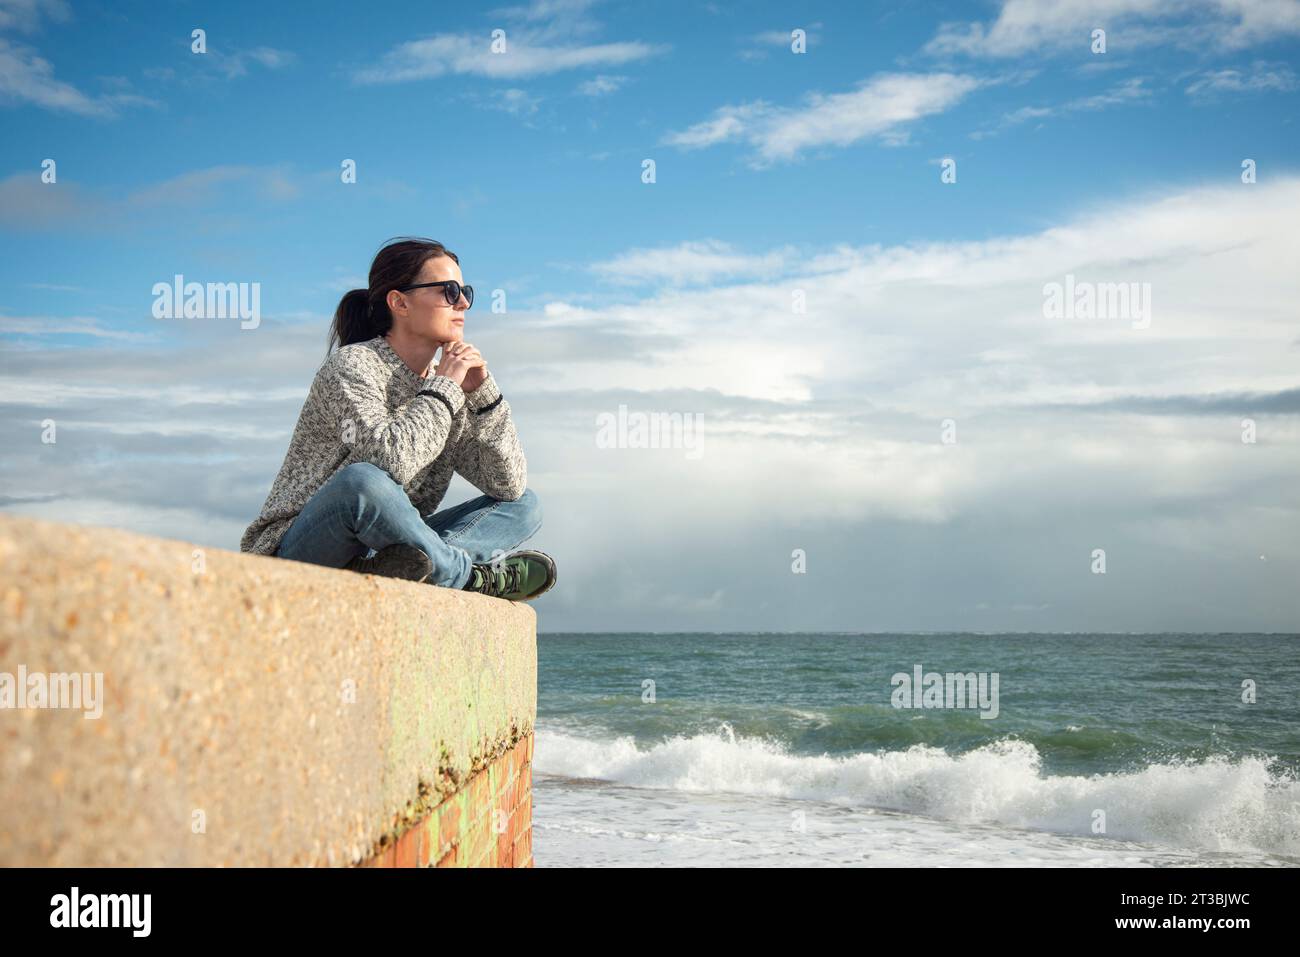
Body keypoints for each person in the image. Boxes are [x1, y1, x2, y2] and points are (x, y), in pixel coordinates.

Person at [239, 237, 555, 602]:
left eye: (465, 291)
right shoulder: (354, 365)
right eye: (449, 291)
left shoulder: (446, 383)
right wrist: (446, 388)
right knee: (361, 482)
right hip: (297, 551)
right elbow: (388, 461)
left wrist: (486, 397)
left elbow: (507, 484)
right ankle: (466, 578)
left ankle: (414, 569)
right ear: (399, 302)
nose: (464, 303)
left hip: (390, 552)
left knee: (525, 505)